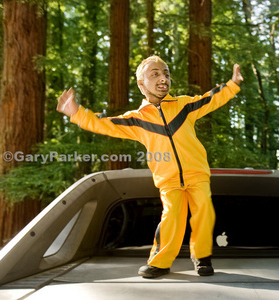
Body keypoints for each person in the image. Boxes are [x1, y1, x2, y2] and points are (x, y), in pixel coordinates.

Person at [57, 55, 243, 278]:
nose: (163, 77)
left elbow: (211, 98)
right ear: (141, 84)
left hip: (196, 174)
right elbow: (104, 124)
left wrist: (233, 84)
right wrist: (77, 113)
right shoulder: (137, 120)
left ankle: (201, 256)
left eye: (166, 73)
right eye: (155, 74)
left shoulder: (184, 105)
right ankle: (160, 262)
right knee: (172, 216)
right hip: (168, 179)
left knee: (203, 211)